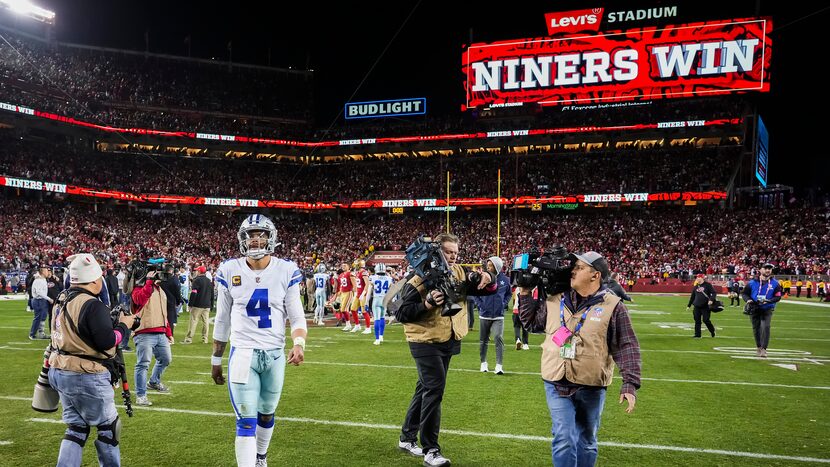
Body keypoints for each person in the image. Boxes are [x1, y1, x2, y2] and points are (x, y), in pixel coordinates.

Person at [518, 251, 641, 467]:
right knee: (564, 437)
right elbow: (531, 324)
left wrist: (629, 384)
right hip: (556, 380)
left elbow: (626, 345)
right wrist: (526, 292)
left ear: (595, 275)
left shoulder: (614, 305)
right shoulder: (556, 299)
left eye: (580, 267)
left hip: (591, 384)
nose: (572, 270)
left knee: (586, 440)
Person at [210, 214, 307, 467]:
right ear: (242, 240)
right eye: (250, 236)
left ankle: (261, 458)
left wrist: (299, 343)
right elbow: (222, 319)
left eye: (260, 235)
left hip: (274, 354)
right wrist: (215, 359)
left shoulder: (286, 269)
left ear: (271, 238)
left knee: (267, 414)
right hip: (243, 353)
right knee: (245, 420)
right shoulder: (229, 269)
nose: (255, 240)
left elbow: (297, 315)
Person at [395, 233, 497, 467]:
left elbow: (486, 288)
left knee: (425, 388)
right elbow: (400, 313)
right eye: (449, 252)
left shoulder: (459, 272)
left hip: (448, 338)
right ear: (436, 251)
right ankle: (431, 450)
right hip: (423, 340)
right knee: (434, 389)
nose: (453, 257)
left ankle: (407, 437)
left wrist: (487, 275)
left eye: (456, 253)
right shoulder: (417, 277)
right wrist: (427, 304)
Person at [47, 253, 136, 467]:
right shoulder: (91, 304)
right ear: (96, 280)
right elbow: (107, 342)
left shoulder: (62, 298)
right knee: (108, 428)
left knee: (76, 429)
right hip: (85, 374)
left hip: (60, 369)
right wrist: (124, 325)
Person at [130, 262, 174, 406]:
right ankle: (141, 395)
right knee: (143, 364)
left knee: (166, 359)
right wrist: (148, 282)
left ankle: (154, 381)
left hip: (160, 332)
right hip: (144, 332)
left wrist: (168, 331)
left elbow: (163, 313)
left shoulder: (160, 289)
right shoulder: (138, 288)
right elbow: (140, 300)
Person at [472, 256, 511, 374]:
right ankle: (483, 363)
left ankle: (499, 366)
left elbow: (508, 294)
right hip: (484, 315)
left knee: (498, 338)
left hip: (498, 315)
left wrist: (503, 304)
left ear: (497, 266)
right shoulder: (482, 278)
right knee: (483, 340)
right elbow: (475, 293)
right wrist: (480, 305)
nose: (488, 267)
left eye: (491, 265)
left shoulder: (505, 280)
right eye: (487, 265)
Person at [741, 263, 782, 358]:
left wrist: (769, 301)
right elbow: (744, 294)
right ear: (760, 270)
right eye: (766, 268)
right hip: (754, 308)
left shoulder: (775, 283)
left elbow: (778, 297)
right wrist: (748, 300)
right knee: (756, 329)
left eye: (770, 269)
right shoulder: (752, 282)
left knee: (766, 327)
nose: (768, 270)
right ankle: (759, 347)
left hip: (767, 308)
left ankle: (764, 349)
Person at [184, 266, 213, 344]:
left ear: (199, 272)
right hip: (207, 305)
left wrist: (190, 304)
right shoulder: (209, 281)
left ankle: (188, 339)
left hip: (197, 305)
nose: (196, 272)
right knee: (205, 322)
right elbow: (212, 294)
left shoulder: (196, 281)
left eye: (197, 271)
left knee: (193, 321)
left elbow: (194, 293)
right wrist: (211, 304)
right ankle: (205, 339)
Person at [366, 262, 393, 345]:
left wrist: (366, 302)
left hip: (376, 299)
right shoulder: (389, 279)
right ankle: (381, 336)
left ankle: (377, 339)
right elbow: (392, 292)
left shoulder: (372, 278)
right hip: (384, 299)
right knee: (382, 317)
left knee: (376, 318)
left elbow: (369, 291)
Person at [686, 274, 718, 338]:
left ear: (702, 278)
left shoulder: (708, 285)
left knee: (706, 320)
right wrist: (689, 305)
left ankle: (712, 330)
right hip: (697, 306)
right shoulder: (696, 286)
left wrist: (711, 299)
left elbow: (714, 293)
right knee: (697, 320)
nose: (697, 278)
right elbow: (692, 296)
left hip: (705, 306)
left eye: (698, 277)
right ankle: (697, 335)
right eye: (697, 277)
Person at [30, 266, 53, 340]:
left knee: (43, 317)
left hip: (42, 300)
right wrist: (49, 299)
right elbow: (39, 292)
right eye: (46, 271)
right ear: (42, 272)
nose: (48, 272)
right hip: (38, 300)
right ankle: (32, 334)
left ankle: (41, 333)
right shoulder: (39, 280)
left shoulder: (42, 279)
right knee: (38, 318)